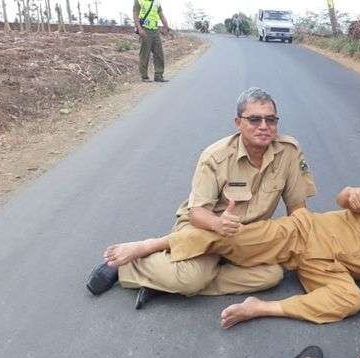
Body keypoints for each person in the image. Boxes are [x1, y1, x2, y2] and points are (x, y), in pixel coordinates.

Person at [97, 184, 360, 326]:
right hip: (303, 234)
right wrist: (353, 196)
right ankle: (148, 247)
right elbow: (345, 197)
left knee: (353, 300)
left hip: (329, 269)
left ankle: (259, 308)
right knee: (232, 239)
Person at [86, 88, 316, 309]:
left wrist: (301, 246)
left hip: (249, 236)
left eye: (271, 120)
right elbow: (197, 213)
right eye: (254, 120)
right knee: (191, 279)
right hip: (205, 230)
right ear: (238, 123)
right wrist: (218, 223)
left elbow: (297, 208)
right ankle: (129, 268)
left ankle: (167, 284)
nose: (264, 127)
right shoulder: (215, 157)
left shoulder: (289, 152)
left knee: (271, 275)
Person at [133, 0, 171, 82]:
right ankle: (144, 76)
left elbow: (161, 15)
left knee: (159, 54)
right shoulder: (139, 1)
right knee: (144, 54)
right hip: (145, 30)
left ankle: (158, 75)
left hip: (155, 30)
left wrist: (166, 27)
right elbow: (135, 15)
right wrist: (140, 29)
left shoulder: (156, 2)